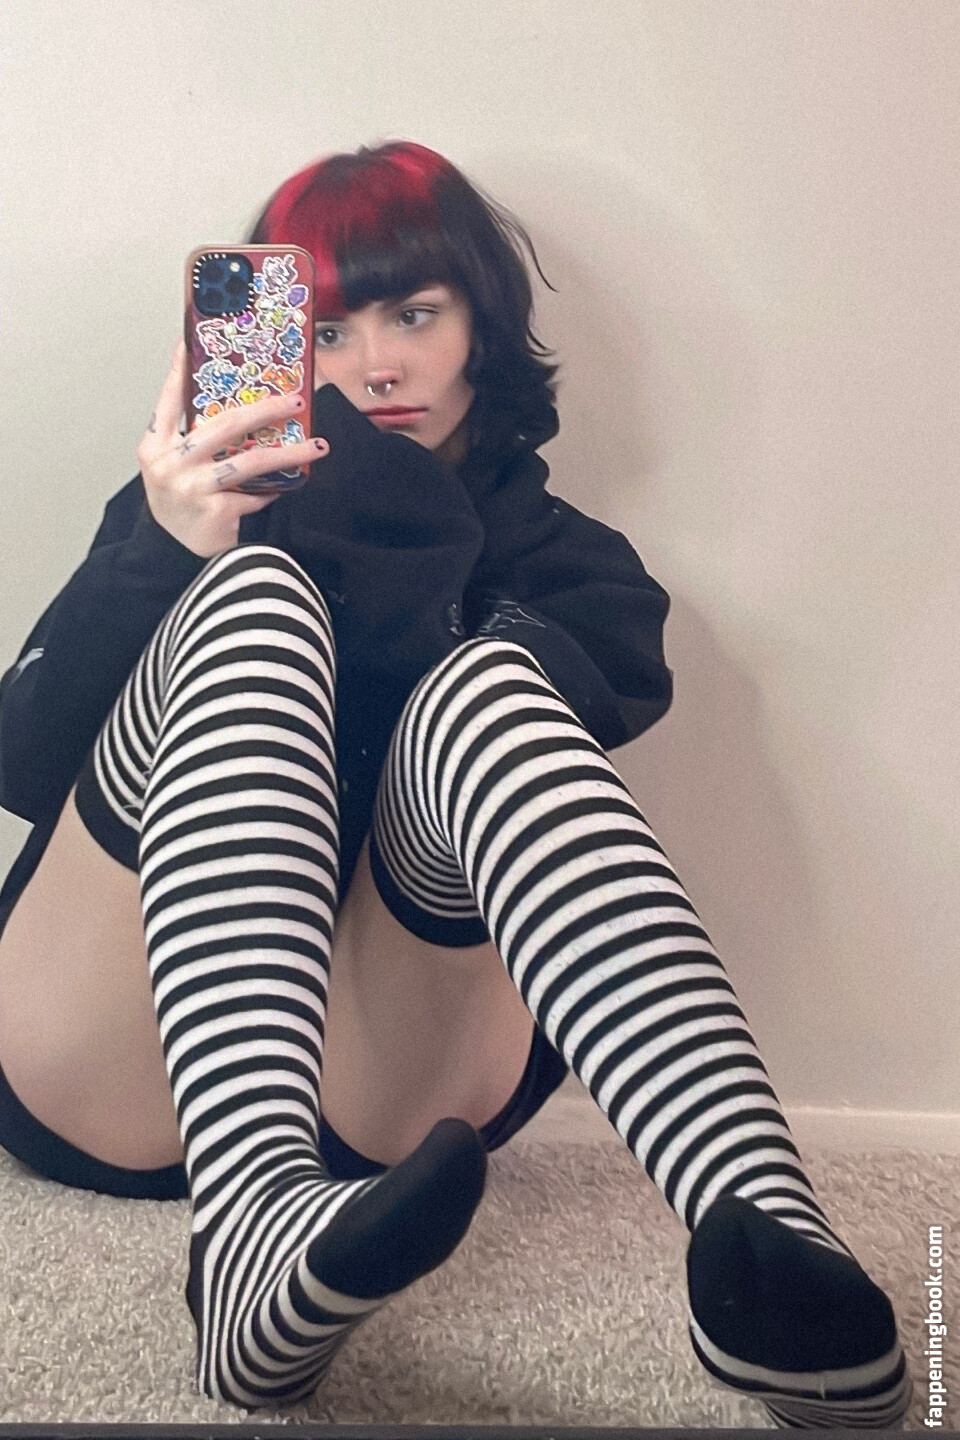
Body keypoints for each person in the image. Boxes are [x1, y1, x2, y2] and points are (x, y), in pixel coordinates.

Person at [0, 140, 910, 1423]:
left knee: (484, 685)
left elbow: (529, 780)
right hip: (110, 1058)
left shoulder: (580, 573)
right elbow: (26, 762)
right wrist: (164, 550)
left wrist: (374, 499)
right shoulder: (193, 508)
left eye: (415, 314)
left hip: (379, 1098)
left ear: (483, 323)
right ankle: (248, 1222)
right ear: (271, 343)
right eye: (326, 330)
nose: (375, 365)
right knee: (255, 598)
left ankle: (772, 1250)